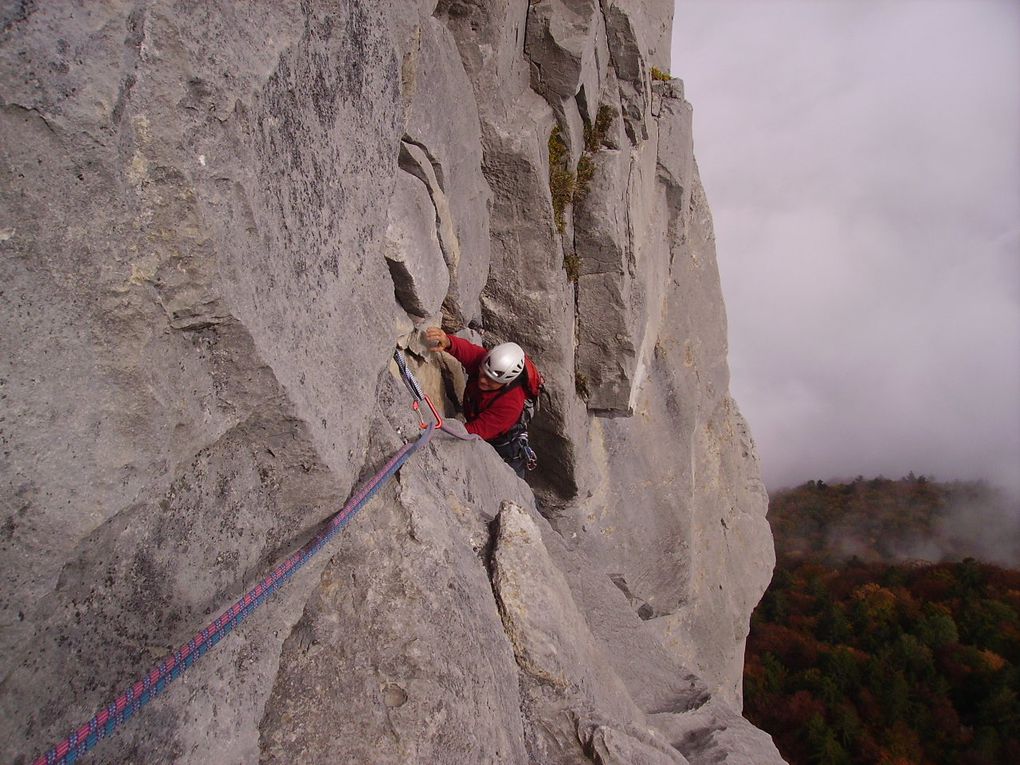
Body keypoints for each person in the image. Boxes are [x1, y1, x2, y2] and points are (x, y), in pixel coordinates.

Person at [425, 326, 532, 477]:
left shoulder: (510, 404)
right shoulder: (488, 363)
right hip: (480, 420)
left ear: (506, 383)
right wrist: (448, 342)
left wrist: (437, 433)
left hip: (504, 449)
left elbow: (474, 430)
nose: (483, 380)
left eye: (491, 381)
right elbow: (467, 351)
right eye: (482, 373)